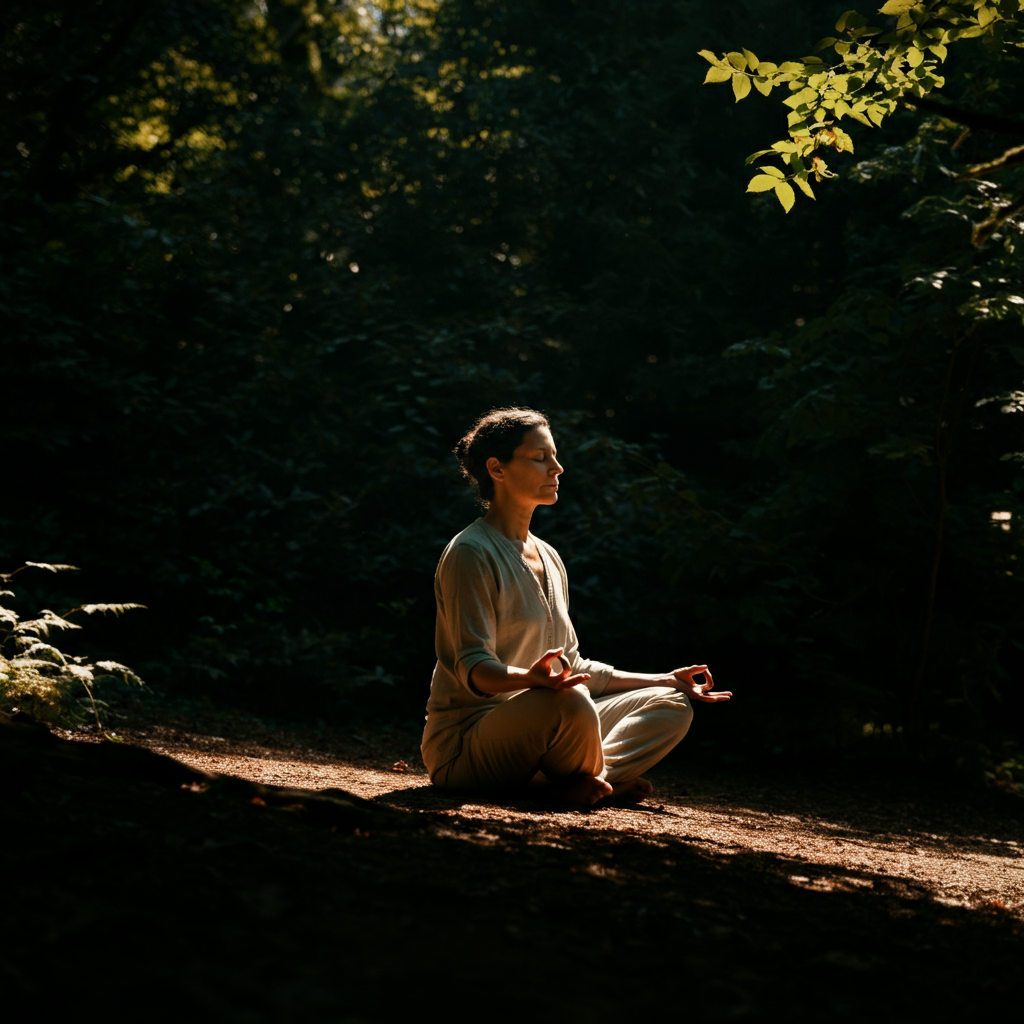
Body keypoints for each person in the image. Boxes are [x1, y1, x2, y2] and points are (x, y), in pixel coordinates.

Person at [421, 407, 731, 806]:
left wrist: (667, 679)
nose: (558, 468)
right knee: (571, 701)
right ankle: (583, 784)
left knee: (670, 705)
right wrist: (534, 680)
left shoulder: (548, 555)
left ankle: (576, 783)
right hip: (466, 746)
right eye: (540, 458)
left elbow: (575, 667)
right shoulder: (470, 552)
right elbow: (475, 670)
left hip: (551, 719)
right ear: (496, 469)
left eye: (554, 456)